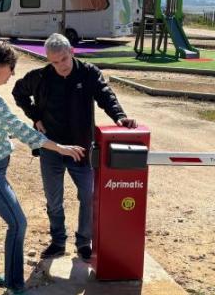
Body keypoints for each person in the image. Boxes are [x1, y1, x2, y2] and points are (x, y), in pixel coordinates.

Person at [0, 41, 85, 295]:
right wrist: (59, 147)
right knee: (18, 223)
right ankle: (15, 284)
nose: (13, 73)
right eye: (12, 68)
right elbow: (21, 129)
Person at [12, 33, 136, 261]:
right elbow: (18, 92)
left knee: (88, 196)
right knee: (54, 199)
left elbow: (105, 95)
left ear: (72, 52)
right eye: (54, 62)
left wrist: (119, 116)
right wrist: (35, 116)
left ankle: (83, 242)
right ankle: (58, 242)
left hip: (81, 149)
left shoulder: (88, 73)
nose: (60, 66)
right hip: (51, 148)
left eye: (63, 59)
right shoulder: (40, 77)